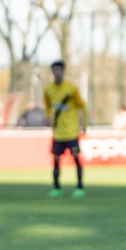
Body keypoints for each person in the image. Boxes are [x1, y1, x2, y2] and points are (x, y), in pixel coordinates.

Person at [43, 60, 87, 198]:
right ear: (52, 72)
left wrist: (84, 125)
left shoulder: (71, 88)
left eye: (60, 70)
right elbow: (47, 105)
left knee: (75, 157)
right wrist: (47, 117)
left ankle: (79, 187)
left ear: (64, 71)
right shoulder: (48, 90)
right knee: (56, 159)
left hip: (71, 131)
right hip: (57, 132)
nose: (57, 73)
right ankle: (57, 187)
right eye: (55, 70)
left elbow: (83, 106)